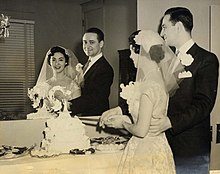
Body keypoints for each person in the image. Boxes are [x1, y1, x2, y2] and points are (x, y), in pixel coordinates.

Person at [100, 30, 183, 173]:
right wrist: (122, 113)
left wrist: (123, 124)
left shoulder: (148, 87)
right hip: (160, 146)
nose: (130, 57)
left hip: (145, 150)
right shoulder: (159, 81)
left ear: (141, 52)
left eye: (132, 52)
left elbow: (141, 130)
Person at [150, 7, 219, 174]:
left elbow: (204, 104)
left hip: (191, 149)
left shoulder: (206, 59)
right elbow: (154, 93)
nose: (161, 32)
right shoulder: (166, 60)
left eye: (165, 26)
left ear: (179, 27)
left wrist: (171, 122)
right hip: (165, 145)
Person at [67, 27, 114, 116]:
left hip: (95, 117)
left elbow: (94, 98)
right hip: (84, 114)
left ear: (101, 44)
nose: (87, 46)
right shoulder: (87, 64)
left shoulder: (105, 68)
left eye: (91, 42)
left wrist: (68, 106)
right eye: (85, 42)